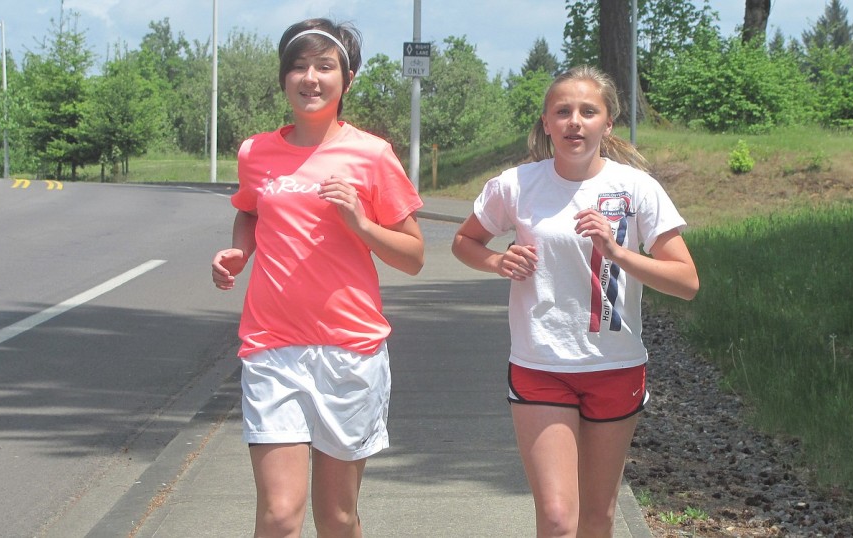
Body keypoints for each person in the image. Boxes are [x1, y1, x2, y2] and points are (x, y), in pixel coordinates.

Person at [451, 65, 699, 537]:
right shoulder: (516, 185)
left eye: (588, 112)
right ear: (546, 123)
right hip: (540, 364)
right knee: (559, 517)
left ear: (607, 124)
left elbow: (686, 282)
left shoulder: (636, 188)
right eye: (562, 112)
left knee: (597, 516)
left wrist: (619, 253)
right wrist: (496, 262)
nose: (574, 122)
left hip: (616, 366)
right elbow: (465, 242)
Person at [211, 18, 424, 538]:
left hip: (350, 350)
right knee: (280, 515)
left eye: (324, 67)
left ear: (347, 80)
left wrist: (361, 223)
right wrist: (240, 252)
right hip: (271, 346)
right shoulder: (255, 152)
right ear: (284, 79)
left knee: (337, 518)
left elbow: (414, 255)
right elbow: (251, 212)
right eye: (299, 67)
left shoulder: (371, 154)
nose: (311, 77)